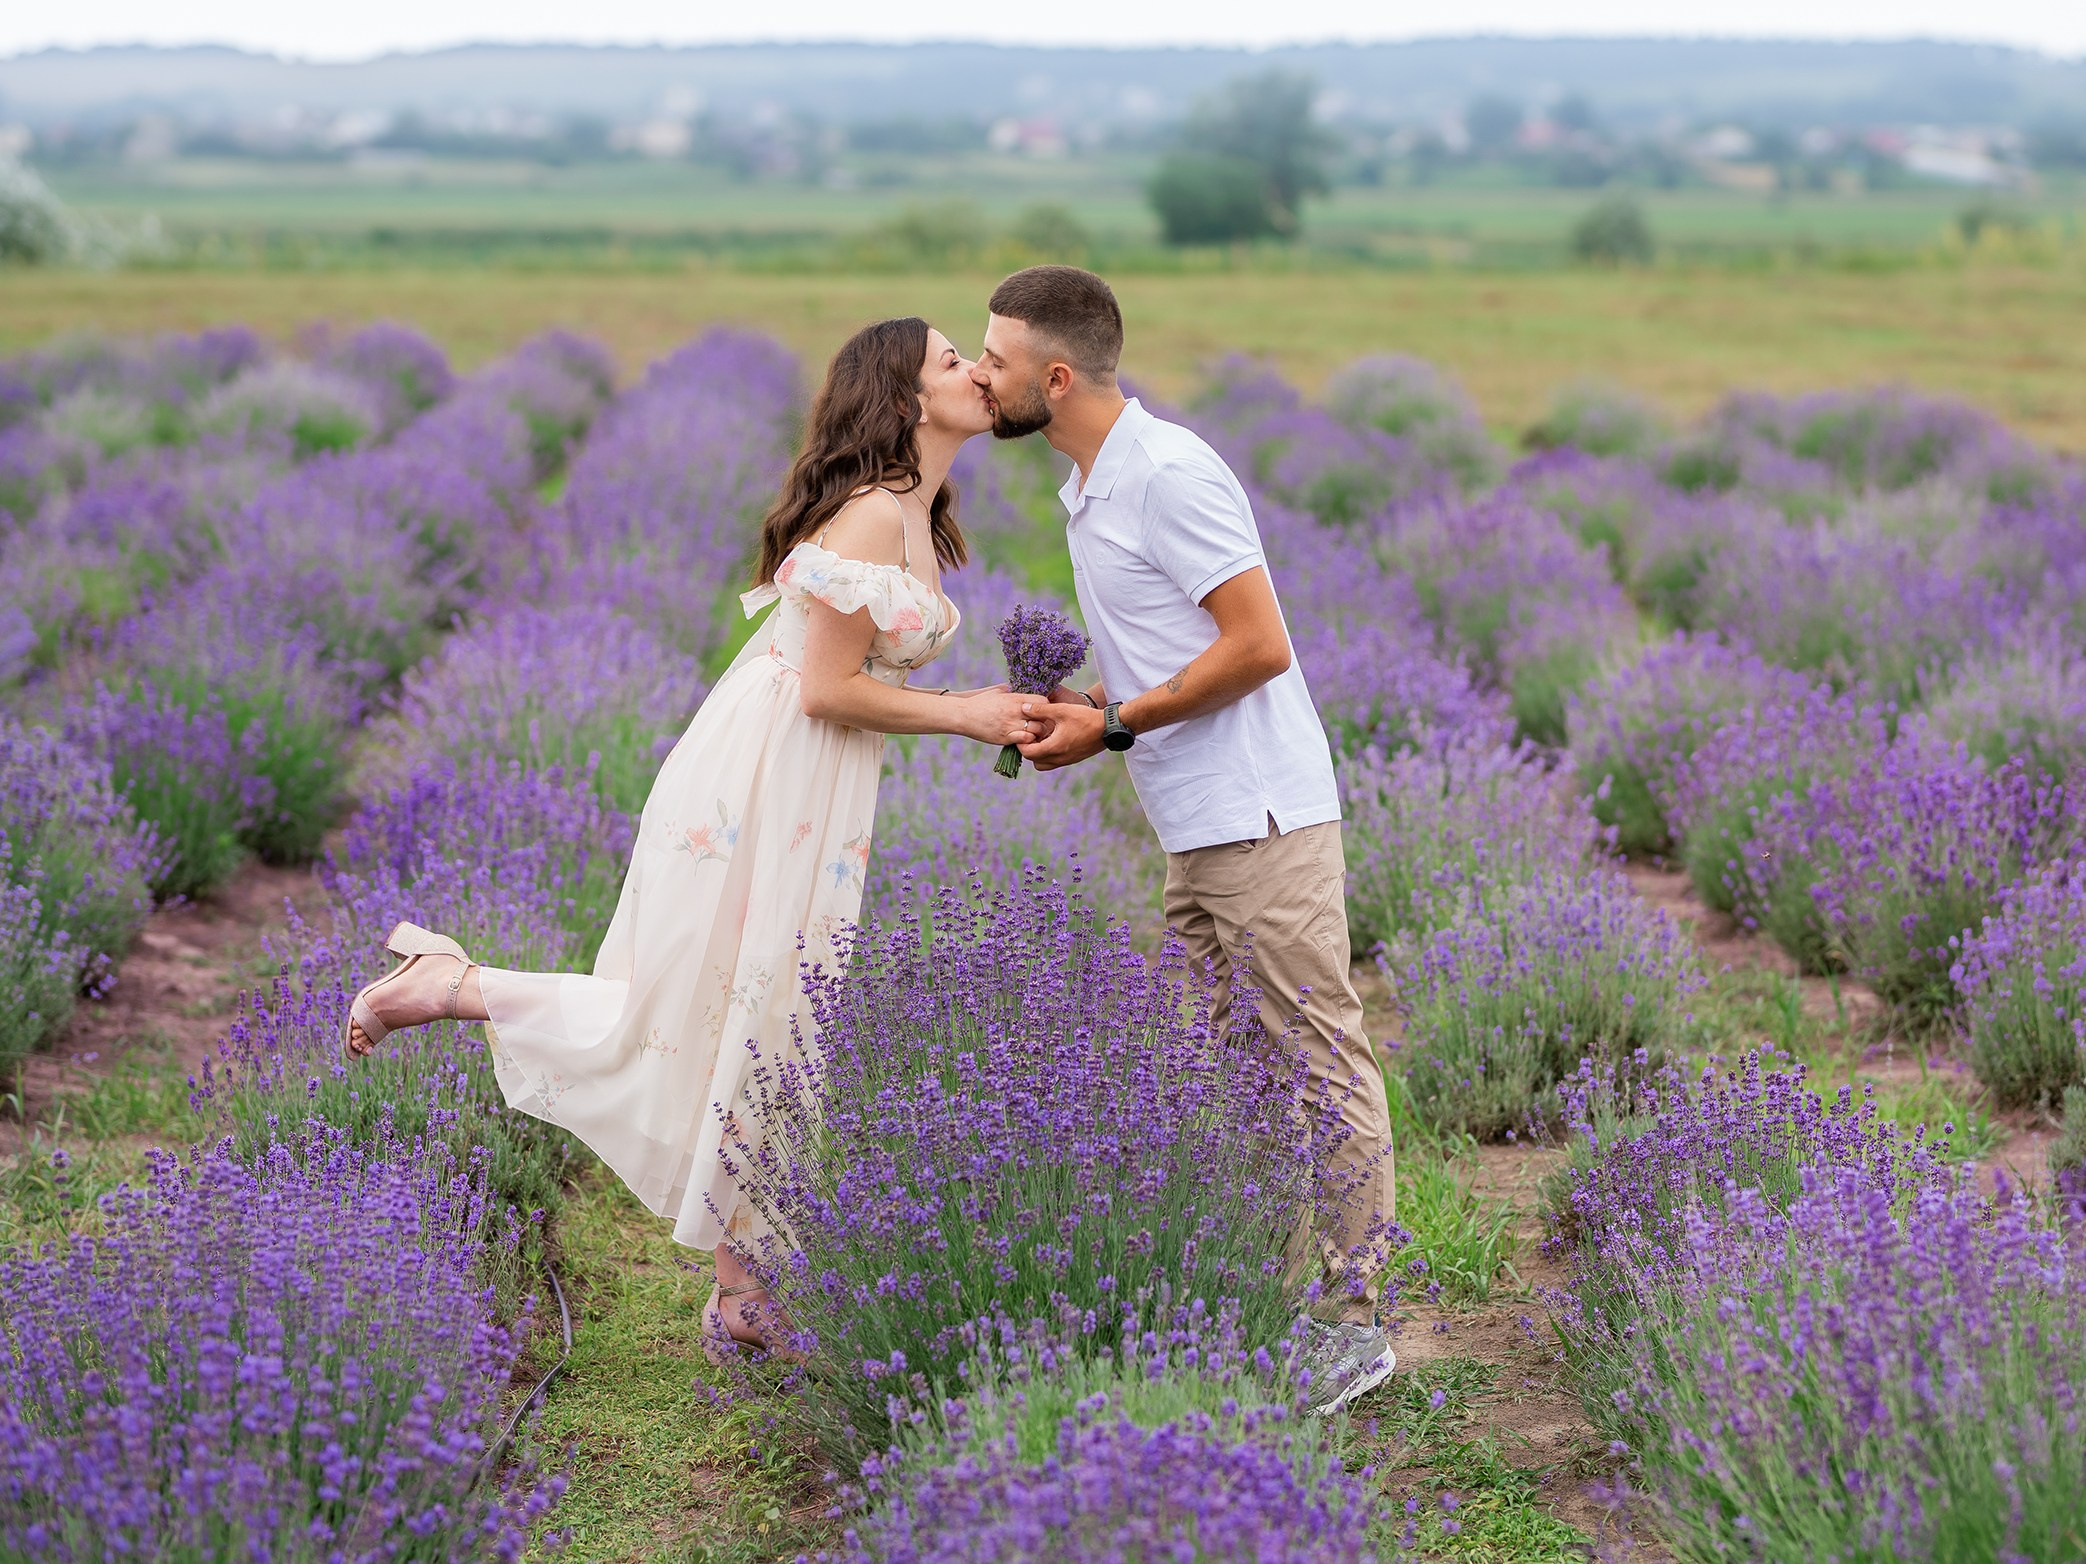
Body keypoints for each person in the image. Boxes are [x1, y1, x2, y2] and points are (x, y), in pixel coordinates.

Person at [340, 318, 1037, 1354]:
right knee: (735, 1007)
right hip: (765, 775)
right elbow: (826, 690)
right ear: (904, 401)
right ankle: (451, 989)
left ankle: (742, 1294)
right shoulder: (868, 516)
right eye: (951, 361)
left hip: (812, 779)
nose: (978, 372)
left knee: (762, 1015)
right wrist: (969, 712)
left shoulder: (915, 513)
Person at [975, 265, 1398, 1407]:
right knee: (1224, 1069)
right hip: (1194, 822)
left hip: (1258, 814)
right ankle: (1269, 1298)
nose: (979, 374)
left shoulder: (1166, 473)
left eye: (995, 358)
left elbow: (1258, 643)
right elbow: (1174, 648)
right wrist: (1092, 714)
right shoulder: (1092, 485)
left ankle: (1356, 1321)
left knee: (1317, 1058)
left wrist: (1114, 719)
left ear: (1054, 377)